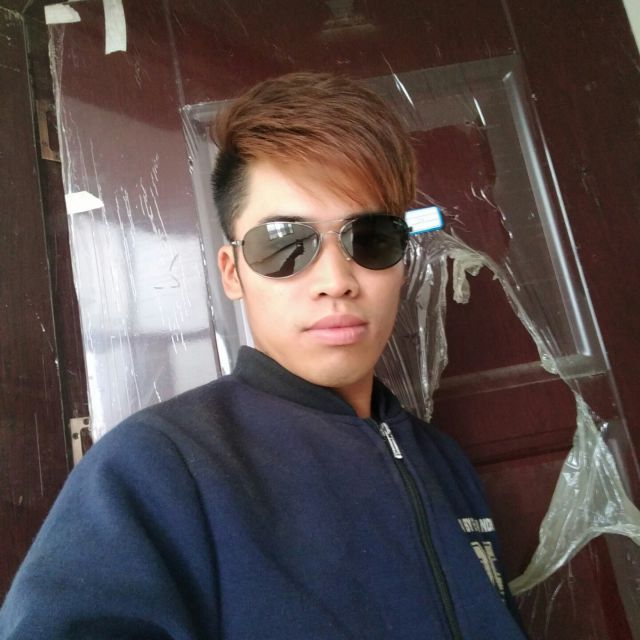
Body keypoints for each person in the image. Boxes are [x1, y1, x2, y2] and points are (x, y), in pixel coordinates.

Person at [0, 72, 526, 639]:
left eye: (371, 237)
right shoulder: (155, 469)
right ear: (233, 273)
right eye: (284, 244)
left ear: (402, 262)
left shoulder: (443, 461)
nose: (336, 280)